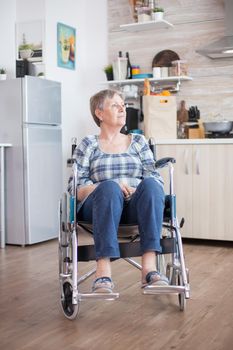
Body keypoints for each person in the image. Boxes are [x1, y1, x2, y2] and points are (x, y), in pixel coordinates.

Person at [68, 89, 169, 294]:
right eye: (115, 105)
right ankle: (103, 272)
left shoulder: (139, 142)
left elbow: (156, 178)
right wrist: (103, 186)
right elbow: (74, 188)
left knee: (150, 184)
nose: (122, 108)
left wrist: (136, 189)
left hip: (135, 206)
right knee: (110, 188)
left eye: (123, 104)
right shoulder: (89, 144)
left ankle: (149, 269)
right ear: (99, 113)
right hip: (98, 206)